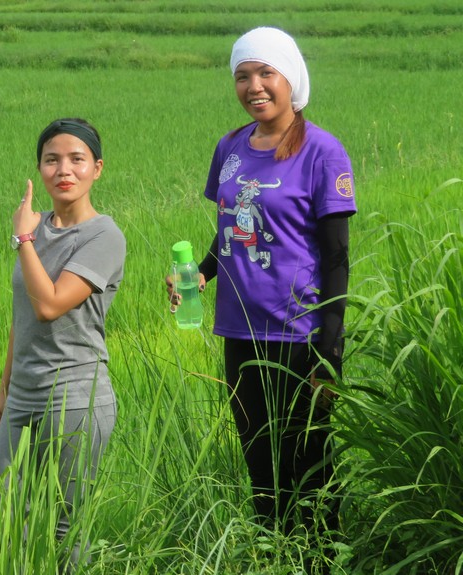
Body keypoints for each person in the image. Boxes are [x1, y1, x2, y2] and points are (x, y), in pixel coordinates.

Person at [167, 27, 355, 552]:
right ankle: (274, 556)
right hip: (239, 331)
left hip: (301, 335)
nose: (254, 86)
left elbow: (337, 257)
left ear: (290, 77)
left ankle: (321, 559)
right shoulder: (230, 147)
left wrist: (329, 346)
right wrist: (201, 274)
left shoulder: (322, 152)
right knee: (260, 465)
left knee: (310, 465)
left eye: (265, 73)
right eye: (242, 76)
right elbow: (229, 227)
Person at [0, 118, 126, 567]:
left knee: (65, 527)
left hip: (75, 395)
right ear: (40, 169)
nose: (64, 170)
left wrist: (23, 238)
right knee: (3, 517)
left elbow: (49, 305)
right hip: (23, 393)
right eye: (52, 160)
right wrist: (6, 387)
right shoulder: (39, 227)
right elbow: (23, 314)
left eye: (76, 159)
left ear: (97, 169)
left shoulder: (103, 236)